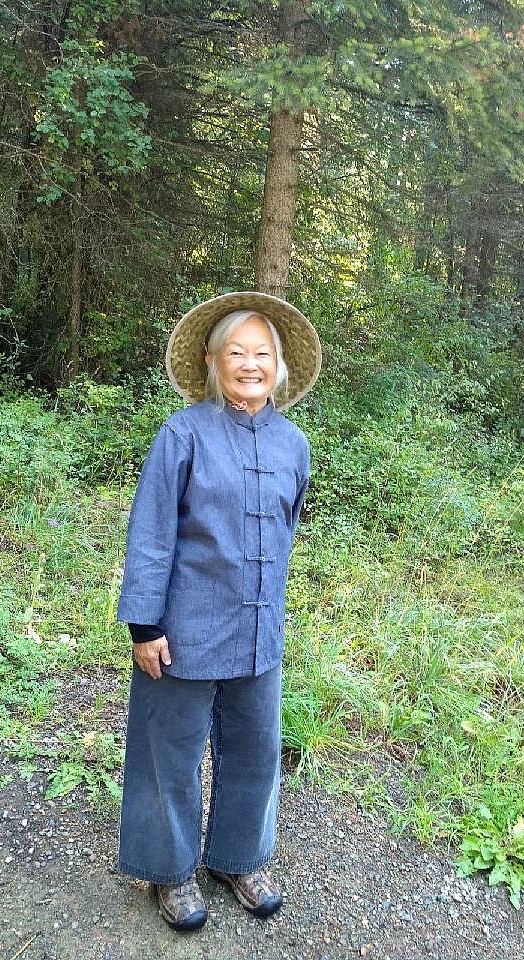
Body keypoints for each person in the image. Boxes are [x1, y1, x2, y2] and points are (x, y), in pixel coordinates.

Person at [116, 292, 321, 932]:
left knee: (257, 751)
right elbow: (152, 533)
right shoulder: (182, 434)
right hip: (182, 628)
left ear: (279, 366)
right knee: (170, 750)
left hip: (259, 628)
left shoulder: (293, 442)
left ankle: (239, 858)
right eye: (237, 352)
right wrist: (144, 624)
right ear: (212, 360)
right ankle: (170, 872)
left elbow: (285, 528)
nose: (250, 364)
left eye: (263, 353)